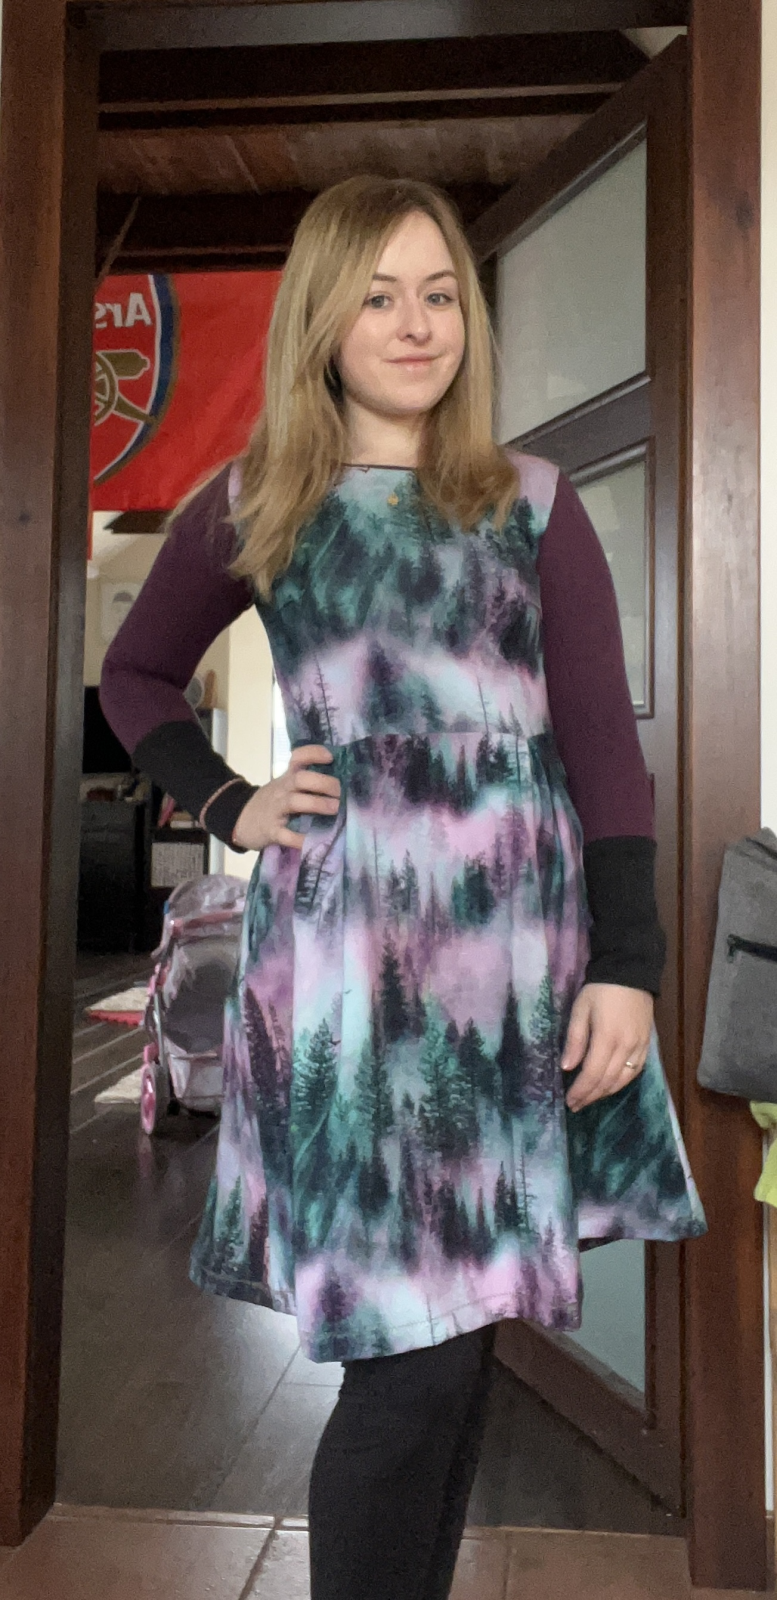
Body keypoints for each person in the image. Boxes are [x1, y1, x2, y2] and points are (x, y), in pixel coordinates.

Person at [101, 176, 705, 1600]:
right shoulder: (255, 500)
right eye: (379, 296)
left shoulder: (534, 504)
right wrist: (233, 801)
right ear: (322, 316)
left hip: (516, 973)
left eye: (441, 294)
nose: (417, 323)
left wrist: (628, 964)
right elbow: (136, 678)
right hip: (351, 981)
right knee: (407, 1361)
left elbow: (604, 750)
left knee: (462, 1341)